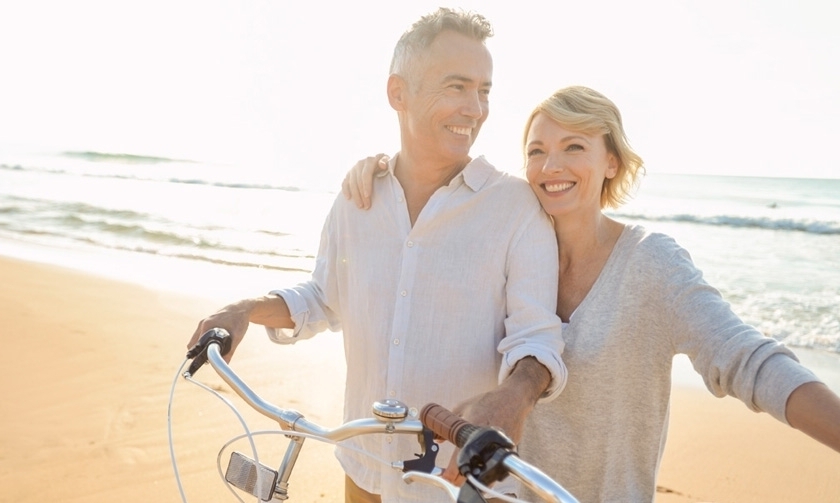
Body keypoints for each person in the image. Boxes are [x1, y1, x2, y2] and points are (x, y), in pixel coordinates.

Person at [341, 85, 840, 502]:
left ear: (612, 163)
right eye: (536, 151)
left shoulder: (651, 263)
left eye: (574, 147)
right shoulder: (502, 246)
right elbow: (426, 226)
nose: (550, 165)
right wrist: (381, 172)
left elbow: (746, 360)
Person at [190, 8, 568, 503]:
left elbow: (537, 335)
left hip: (456, 483)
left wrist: (514, 397)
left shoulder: (516, 207)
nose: (475, 108)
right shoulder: (358, 198)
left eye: (484, 90)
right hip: (362, 468)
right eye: (456, 87)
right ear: (398, 93)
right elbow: (324, 296)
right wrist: (243, 309)